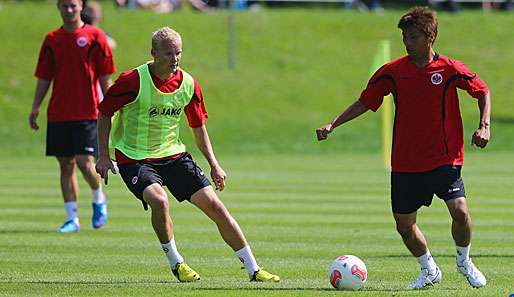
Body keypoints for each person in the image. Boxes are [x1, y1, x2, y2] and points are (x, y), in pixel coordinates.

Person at [316, 7, 489, 290]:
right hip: (407, 163)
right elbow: (365, 101)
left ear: (430, 36)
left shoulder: (448, 69)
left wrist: (485, 125)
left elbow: (482, 91)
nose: (407, 43)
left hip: (445, 158)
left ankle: (464, 261)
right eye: (405, 38)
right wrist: (333, 124)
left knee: (460, 211)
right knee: (404, 226)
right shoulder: (394, 72)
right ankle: (428, 269)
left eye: (413, 37)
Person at [95, 27, 279, 282]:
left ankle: (254, 269)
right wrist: (103, 156)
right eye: (168, 53)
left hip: (174, 156)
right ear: (154, 53)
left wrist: (214, 165)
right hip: (135, 158)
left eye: (178, 53)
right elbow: (104, 113)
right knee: (159, 201)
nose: (174, 59)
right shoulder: (132, 80)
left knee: (215, 206)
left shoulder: (189, 84)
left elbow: (198, 128)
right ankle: (176, 262)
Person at [30, 0, 116, 233]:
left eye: (73, 6)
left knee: (84, 163)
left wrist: (111, 106)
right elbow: (44, 77)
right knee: (65, 166)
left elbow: (105, 77)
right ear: (58, 7)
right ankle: (72, 219)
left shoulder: (95, 37)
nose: (69, 10)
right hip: (58, 112)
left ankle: (99, 199)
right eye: (64, 6)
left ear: (81, 7)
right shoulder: (52, 39)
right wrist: (35, 107)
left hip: (87, 111)